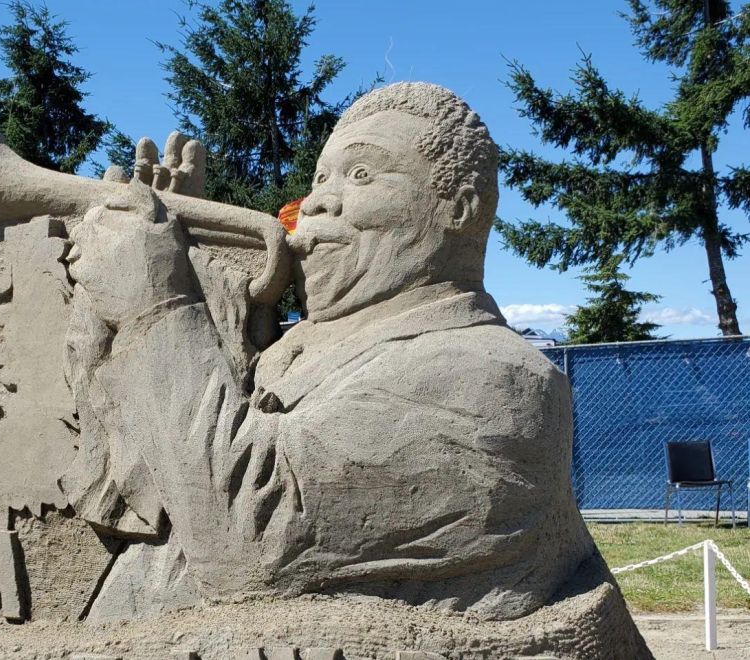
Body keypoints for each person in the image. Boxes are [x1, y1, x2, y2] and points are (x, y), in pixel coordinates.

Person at [65, 82, 593, 621]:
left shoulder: (494, 377)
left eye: (361, 175)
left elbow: (248, 542)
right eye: (320, 178)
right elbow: (122, 488)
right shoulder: (290, 352)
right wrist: (135, 283)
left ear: (457, 209)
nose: (316, 200)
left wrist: (159, 305)